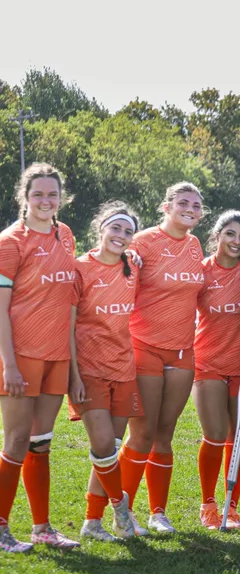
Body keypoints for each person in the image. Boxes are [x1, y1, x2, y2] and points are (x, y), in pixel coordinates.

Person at [0, 164, 78, 552]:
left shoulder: (66, 235)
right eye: (38, 194)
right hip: (21, 356)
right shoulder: (11, 241)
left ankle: (42, 528)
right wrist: (9, 364)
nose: (46, 201)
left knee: (40, 442)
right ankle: (0, 526)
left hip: (57, 357)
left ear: (61, 198)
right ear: (24, 198)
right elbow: (0, 309)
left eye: (52, 194)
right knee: (15, 440)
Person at [119, 181, 205, 534]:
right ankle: (121, 509)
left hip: (184, 350)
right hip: (144, 345)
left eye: (197, 205)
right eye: (183, 202)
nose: (190, 209)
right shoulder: (142, 243)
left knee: (165, 434)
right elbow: (118, 281)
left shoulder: (196, 245)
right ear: (166, 206)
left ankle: (158, 512)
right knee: (142, 432)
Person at [68, 202, 142, 542]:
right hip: (89, 369)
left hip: (124, 369)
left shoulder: (133, 267)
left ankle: (91, 523)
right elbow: (67, 327)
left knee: (109, 448)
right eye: (116, 228)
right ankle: (121, 508)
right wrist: (74, 375)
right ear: (101, 229)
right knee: (102, 446)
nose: (121, 236)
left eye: (128, 232)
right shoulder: (80, 269)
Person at [193, 210, 240, 530]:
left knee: (239, 438)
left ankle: (232, 507)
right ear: (217, 235)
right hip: (206, 361)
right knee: (215, 435)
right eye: (230, 234)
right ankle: (208, 505)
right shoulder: (201, 270)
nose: (237, 241)